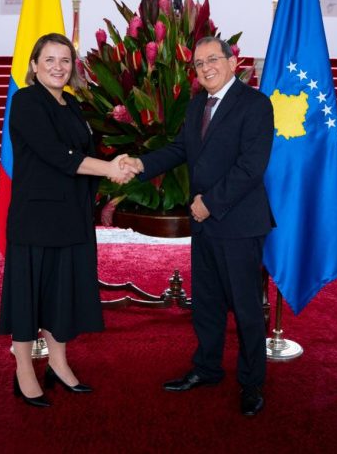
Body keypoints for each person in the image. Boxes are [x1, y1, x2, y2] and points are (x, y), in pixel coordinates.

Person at [120, 36, 275, 417]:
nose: (206, 68)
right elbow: (180, 149)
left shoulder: (255, 104)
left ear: (232, 62)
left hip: (238, 224)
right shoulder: (196, 105)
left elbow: (251, 167)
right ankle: (207, 368)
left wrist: (210, 203)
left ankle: (252, 382)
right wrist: (141, 165)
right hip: (204, 223)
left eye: (213, 60)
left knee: (246, 309)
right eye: (199, 64)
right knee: (207, 303)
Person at [0, 33, 135, 408]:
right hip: (37, 219)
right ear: (34, 65)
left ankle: (58, 364)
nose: (58, 67)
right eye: (49, 60)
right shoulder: (27, 101)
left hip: (72, 215)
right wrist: (109, 168)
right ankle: (24, 369)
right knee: (29, 294)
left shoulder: (72, 104)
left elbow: (88, 151)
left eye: (65, 60)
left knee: (60, 294)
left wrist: (122, 162)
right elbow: (58, 155)